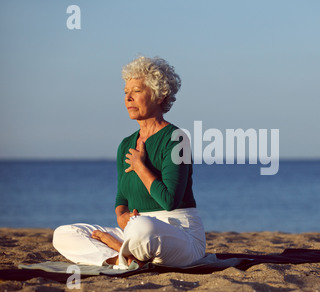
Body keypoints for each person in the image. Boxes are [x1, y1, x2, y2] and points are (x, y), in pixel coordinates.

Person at [52, 56, 206, 269]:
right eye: (126, 92)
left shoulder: (176, 139)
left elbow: (169, 201)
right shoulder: (126, 144)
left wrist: (140, 166)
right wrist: (121, 216)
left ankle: (120, 247)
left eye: (136, 91)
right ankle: (120, 258)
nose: (128, 98)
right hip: (135, 230)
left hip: (179, 233)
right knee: (64, 234)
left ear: (159, 95)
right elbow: (121, 197)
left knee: (143, 228)